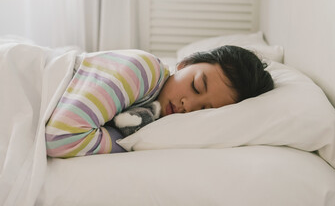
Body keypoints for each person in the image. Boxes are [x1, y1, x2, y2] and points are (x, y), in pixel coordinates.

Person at [45, 45, 274, 158]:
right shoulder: (145, 70)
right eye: (196, 86)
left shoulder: (152, 113)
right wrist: (123, 143)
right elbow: (60, 137)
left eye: (205, 109)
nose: (188, 104)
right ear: (185, 63)